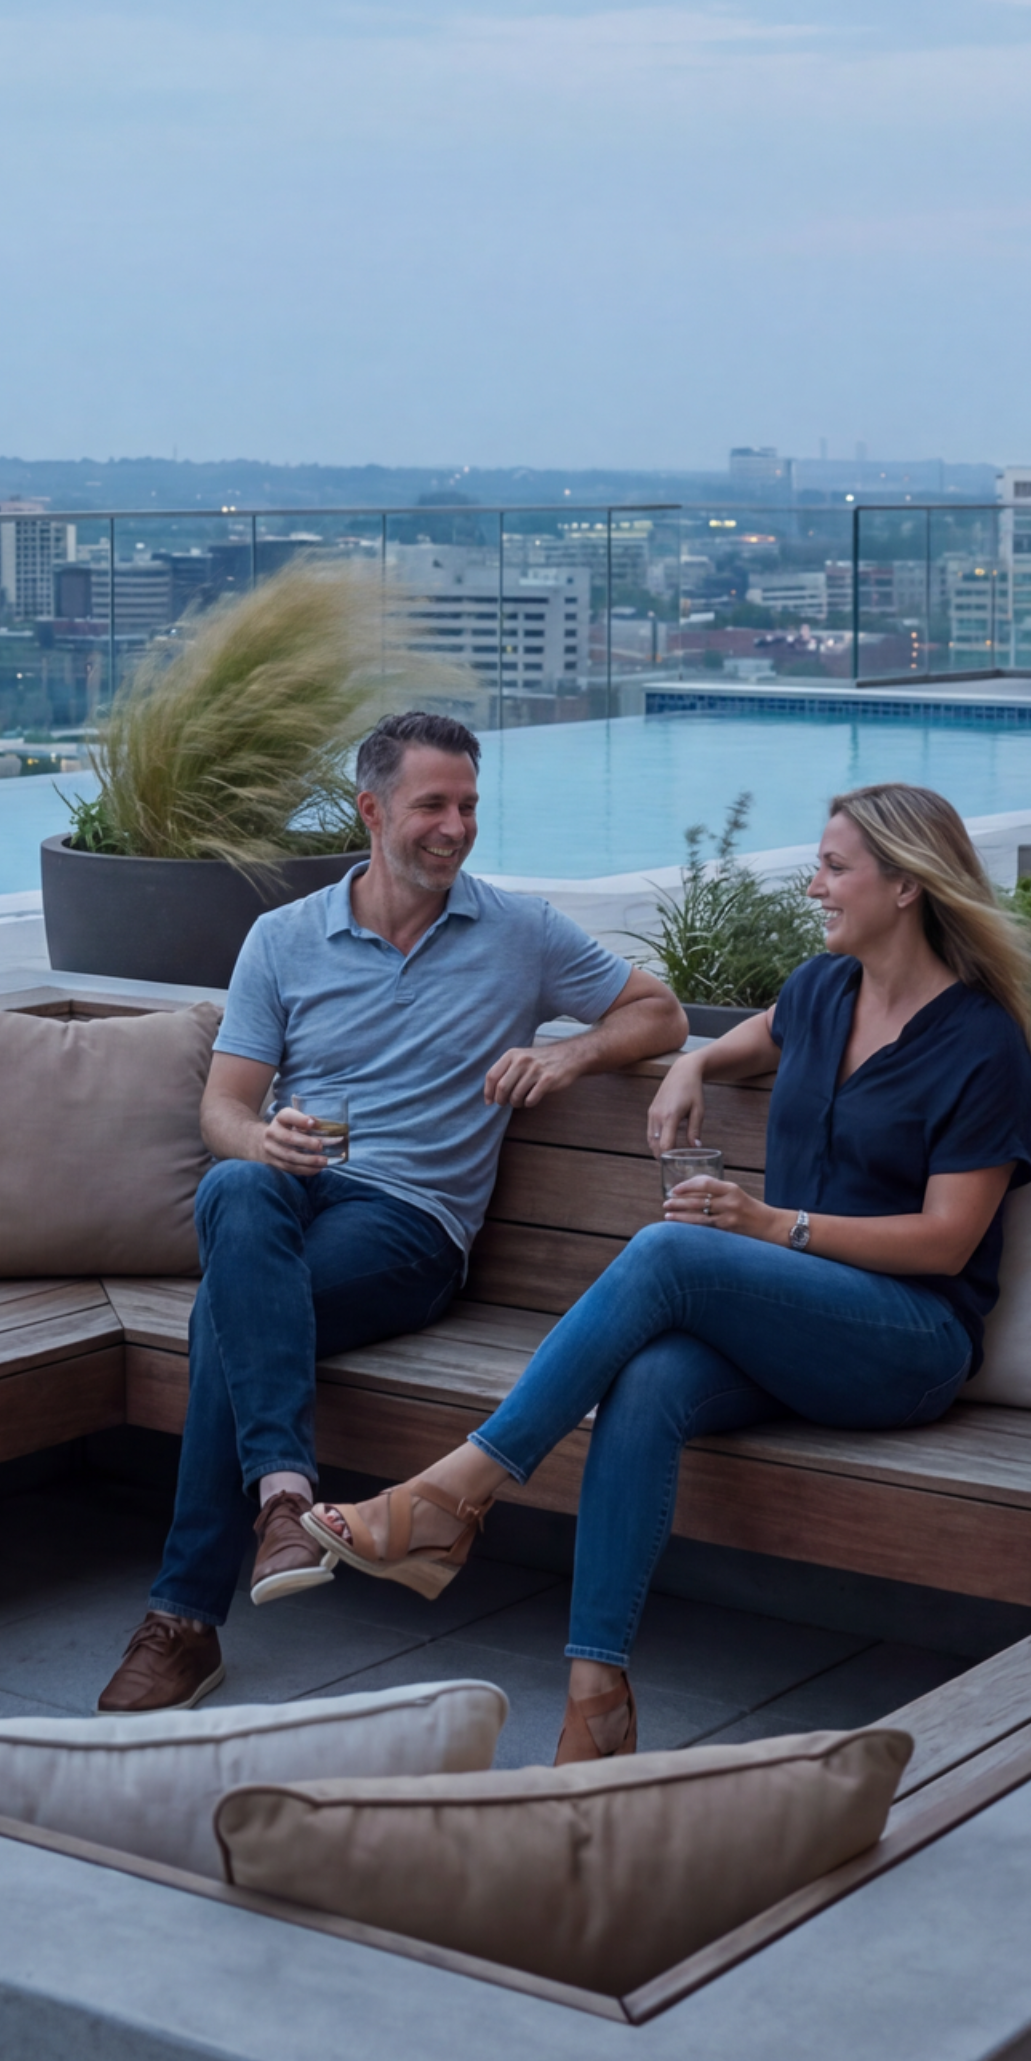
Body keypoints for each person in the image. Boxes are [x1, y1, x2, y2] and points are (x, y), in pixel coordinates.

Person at [305, 781, 1031, 1763]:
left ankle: (452, 1494)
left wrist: (771, 1223)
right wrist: (693, 1064)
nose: (812, 884)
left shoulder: (983, 1044)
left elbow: (949, 1240)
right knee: (646, 1383)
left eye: (832, 865)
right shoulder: (827, 987)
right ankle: (595, 1698)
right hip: (798, 1329)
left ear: (906, 885)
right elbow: (760, 1034)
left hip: (908, 1341)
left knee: (671, 1248)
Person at [93, 711, 687, 1714]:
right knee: (233, 1183)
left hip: (412, 1221)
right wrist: (262, 1140)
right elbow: (221, 1109)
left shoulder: (520, 931)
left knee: (221, 1315)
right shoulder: (282, 937)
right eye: (432, 804)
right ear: (372, 811)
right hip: (295, 1182)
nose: (455, 826)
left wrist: (566, 1052)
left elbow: (659, 1009)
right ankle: (285, 1501)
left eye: (468, 805)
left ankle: (187, 1619)